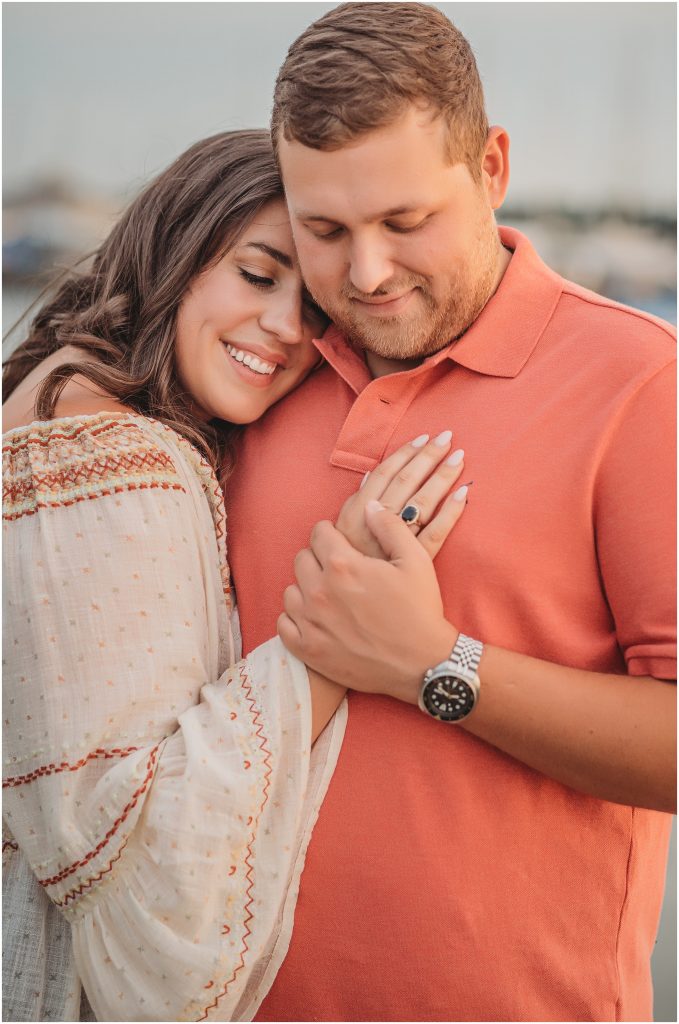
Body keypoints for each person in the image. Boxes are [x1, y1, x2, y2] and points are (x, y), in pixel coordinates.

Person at [224, 5, 677, 1022]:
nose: (366, 274)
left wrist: (431, 664)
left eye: (404, 221)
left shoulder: (638, 384)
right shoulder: (256, 370)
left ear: (491, 169)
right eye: (325, 230)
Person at [2, 129, 470, 1021]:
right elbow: (140, 862)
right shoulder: (113, 461)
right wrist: (342, 633)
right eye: (257, 276)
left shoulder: (63, 399)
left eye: (317, 310)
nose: (287, 330)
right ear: (176, 253)